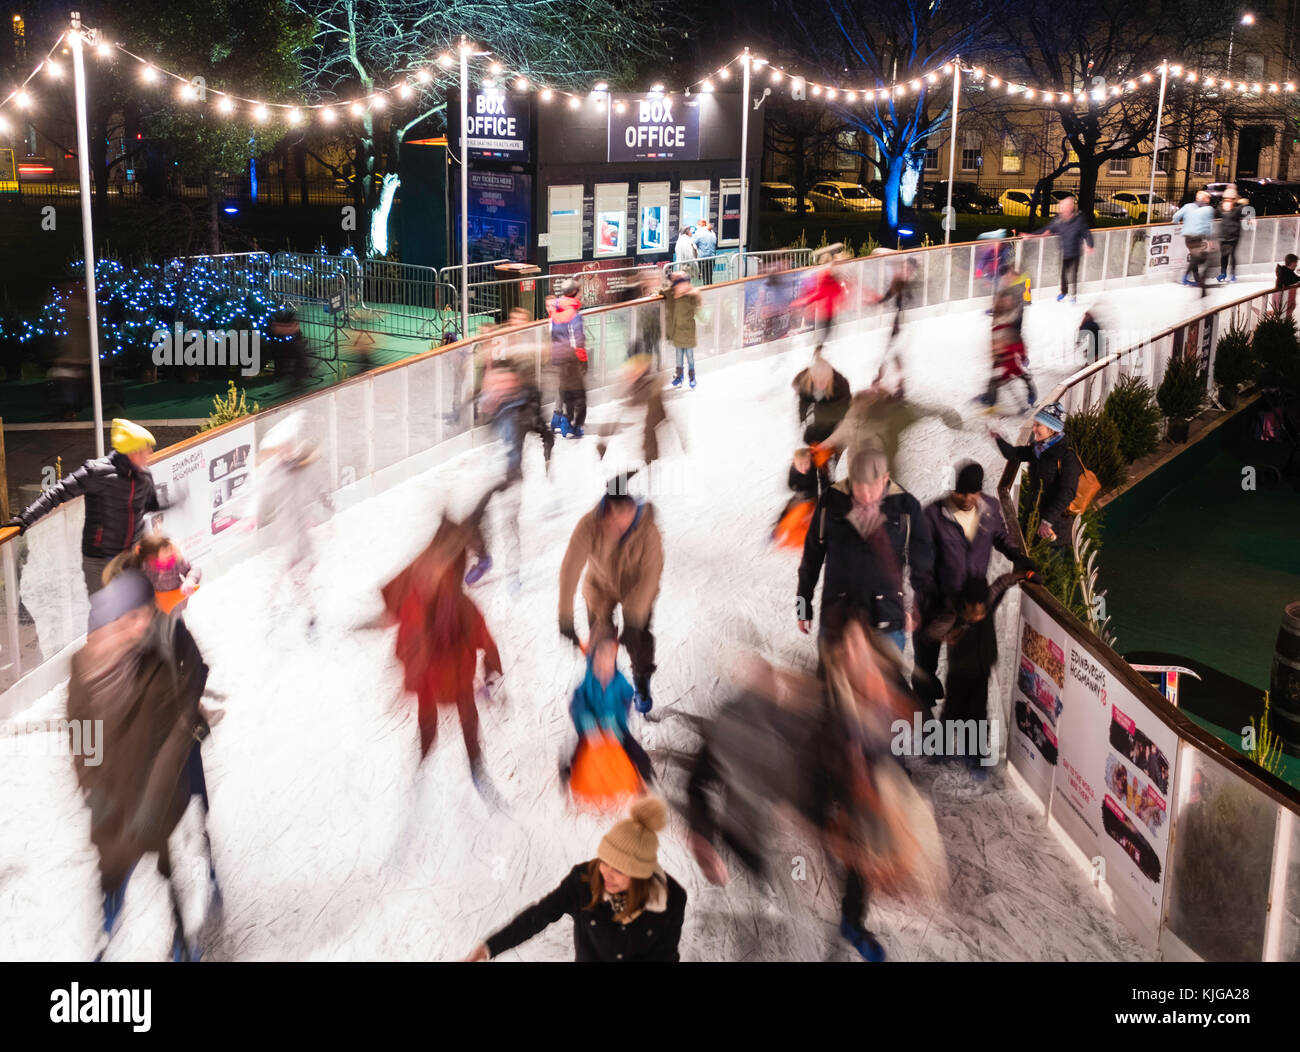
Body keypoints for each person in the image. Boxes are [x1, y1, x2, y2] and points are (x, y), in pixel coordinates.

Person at [69, 569, 219, 962]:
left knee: (171, 866)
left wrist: (157, 792)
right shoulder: (87, 665)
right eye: (131, 618)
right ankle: (107, 930)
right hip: (116, 789)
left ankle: (183, 944)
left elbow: (184, 704)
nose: (142, 623)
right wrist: (93, 785)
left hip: (161, 781)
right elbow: (83, 730)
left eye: (145, 614)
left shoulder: (164, 639)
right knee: (114, 867)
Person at [380, 498, 504, 797]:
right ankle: (425, 751)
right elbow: (404, 633)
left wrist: (492, 671)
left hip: (456, 673)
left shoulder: (459, 606)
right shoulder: (418, 600)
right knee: (427, 716)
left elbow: (485, 638)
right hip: (430, 675)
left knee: (466, 715)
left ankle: (475, 762)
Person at [464, 796, 686, 962]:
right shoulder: (584, 882)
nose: (607, 873)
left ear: (640, 875)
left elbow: (664, 956)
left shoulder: (671, 899)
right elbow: (538, 916)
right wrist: (489, 947)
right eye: (605, 862)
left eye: (619, 871)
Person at [913, 460, 1035, 715]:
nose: (967, 498)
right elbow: (919, 566)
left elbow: (1000, 535)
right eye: (961, 492)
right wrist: (938, 598)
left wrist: (1017, 555)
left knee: (967, 665)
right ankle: (923, 707)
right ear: (953, 489)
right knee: (926, 660)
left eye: (973, 492)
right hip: (937, 604)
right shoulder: (933, 516)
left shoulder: (989, 508)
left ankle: (960, 716)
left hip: (972, 605)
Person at [8, 418, 174, 601]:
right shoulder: (96, 472)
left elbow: (150, 505)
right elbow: (57, 493)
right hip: (100, 561)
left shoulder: (144, 475)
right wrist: (25, 518)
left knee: (136, 612)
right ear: (133, 451)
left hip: (132, 557)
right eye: (147, 447)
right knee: (105, 616)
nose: (151, 452)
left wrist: (173, 501)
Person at [796, 445, 935, 655]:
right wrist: (802, 605)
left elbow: (922, 564)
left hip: (887, 620)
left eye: (872, 487)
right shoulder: (830, 501)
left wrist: (915, 607)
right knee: (833, 685)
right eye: (859, 487)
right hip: (838, 619)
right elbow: (811, 557)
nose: (866, 495)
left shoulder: (907, 507)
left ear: (886, 478)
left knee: (883, 686)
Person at [559, 474, 664, 713]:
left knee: (639, 640)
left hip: (635, 589)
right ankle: (606, 686)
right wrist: (565, 615)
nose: (615, 526)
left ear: (630, 509)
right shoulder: (590, 523)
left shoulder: (647, 529)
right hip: (599, 587)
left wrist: (634, 619)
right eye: (611, 519)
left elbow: (651, 576)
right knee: (601, 641)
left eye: (622, 519)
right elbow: (570, 567)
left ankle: (641, 680)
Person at [922, 572, 1021, 772]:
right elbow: (931, 632)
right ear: (965, 604)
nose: (978, 614)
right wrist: (948, 635)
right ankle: (942, 749)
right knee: (952, 712)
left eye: (981, 609)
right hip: (959, 674)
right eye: (974, 610)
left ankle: (974, 756)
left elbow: (1001, 584)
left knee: (977, 715)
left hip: (981, 673)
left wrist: (1023, 572)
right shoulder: (954, 615)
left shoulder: (987, 602)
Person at [562, 623, 655, 801]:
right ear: (592, 658)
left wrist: (615, 721)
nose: (605, 666)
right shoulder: (586, 684)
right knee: (577, 751)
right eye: (600, 660)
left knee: (634, 751)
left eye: (609, 659)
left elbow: (627, 699)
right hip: (592, 728)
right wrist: (587, 722)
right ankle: (568, 771)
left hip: (615, 726)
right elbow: (577, 704)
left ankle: (643, 777)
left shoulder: (620, 682)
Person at [993, 401, 1081, 548]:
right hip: (1032, 521)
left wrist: (1047, 521)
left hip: (1054, 531)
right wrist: (998, 438)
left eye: (1038, 425)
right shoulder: (1038, 449)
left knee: (1048, 568)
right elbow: (1015, 454)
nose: (1033, 429)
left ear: (1052, 430)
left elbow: (1068, 491)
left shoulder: (1066, 455)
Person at [976, 280, 1038, 412]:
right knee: (996, 378)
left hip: (1012, 348)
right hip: (1002, 349)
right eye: (1004, 301)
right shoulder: (999, 314)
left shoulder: (1014, 316)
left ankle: (1030, 395)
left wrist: (1019, 353)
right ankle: (990, 399)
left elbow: (1015, 334)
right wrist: (995, 350)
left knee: (1019, 374)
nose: (1006, 303)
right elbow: (995, 333)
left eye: (1009, 301)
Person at [1023, 195, 1093, 303]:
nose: (1061, 209)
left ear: (1070, 207)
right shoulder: (1058, 220)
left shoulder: (1079, 219)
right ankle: (1064, 292)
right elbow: (1046, 229)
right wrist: (1030, 235)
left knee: (1073, 274)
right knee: (1063, 274)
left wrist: (1090, 245)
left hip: (1075, 252)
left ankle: (1073, 295)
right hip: (1065, 252)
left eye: (1064, 207)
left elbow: (1086, 233)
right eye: (1061, 207)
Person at [548, 280, 588, 438]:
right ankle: (568, 424)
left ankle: (556, 418)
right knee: (574, 392)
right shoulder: (574, 315)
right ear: (575, 292)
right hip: (571, 359)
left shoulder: (555, 311)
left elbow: (552, 333)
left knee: (562, 387)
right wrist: (583, 361)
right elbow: (577, 341)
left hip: (557, 355)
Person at [793, 250, 849, 354]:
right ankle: (817, 355)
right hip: (822, 313)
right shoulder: (825, 276)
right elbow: (820, 293)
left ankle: (820, 353)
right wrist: (804, 301)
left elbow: (835, 293)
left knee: (825, 337)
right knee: (821, 339)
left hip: (828, 313)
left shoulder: (834, 278)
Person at [1171, 190, 1216, 297]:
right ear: (1205, 199)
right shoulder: (1208, 209)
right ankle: (1187, 278)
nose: (1209, 200)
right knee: (1200, 257)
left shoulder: (1187, 206)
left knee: (1195, 256)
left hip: (1188, 237)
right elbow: (1209, 225)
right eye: (1208, 198)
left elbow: (1176, 217)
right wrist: (1210, 240)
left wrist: (1176, 222)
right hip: (1197, 237)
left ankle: (1194, 277)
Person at [662, 272, 702, 389]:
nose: (679, 288)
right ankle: (679, 376)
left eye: (683, 285)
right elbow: (663, 291)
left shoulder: (690, 297)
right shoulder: (672, 295)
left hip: (688, 333)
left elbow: (698, 305)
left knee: (690, 356)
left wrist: (695, 292)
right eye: (677, 286)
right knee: (678, 356)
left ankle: (692, 377)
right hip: (677, 333)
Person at [619, 269, 664, 369]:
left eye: (651, 279)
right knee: (647, 346)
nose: (648, 281)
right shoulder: (640, 290)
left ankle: (657, 364)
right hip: (644, 326)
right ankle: (645, 365)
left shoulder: (658, 293)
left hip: (653, 326)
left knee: (655, 346)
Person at [1215, 187, 1247, 283]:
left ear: (1233, 200)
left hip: (1234, 236)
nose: (1227, 201)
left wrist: (1243, 203)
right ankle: (1223, 273)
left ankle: (1232, 273)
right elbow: (1215, 213)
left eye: (1229, 199)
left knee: (1232, 254)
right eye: (1225, 199)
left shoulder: (1238, 209)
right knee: (1224, 256)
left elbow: (1246, 212)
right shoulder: (1221, 209)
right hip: (1223, 236)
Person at [692, 220, 718, 285]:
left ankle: (705, 291)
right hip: (712, 259)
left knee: (704, 278)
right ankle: (710, 290)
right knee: (709, 277)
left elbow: (692, 243)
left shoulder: (698, 233)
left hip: (703, 259)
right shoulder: (712, 232)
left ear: (700, 225)